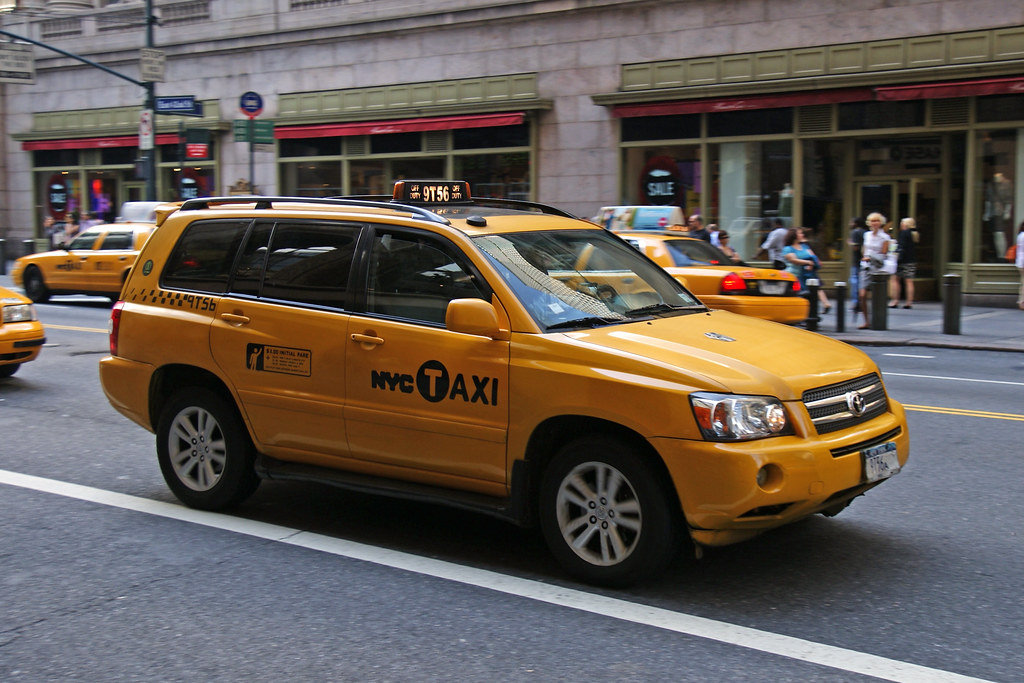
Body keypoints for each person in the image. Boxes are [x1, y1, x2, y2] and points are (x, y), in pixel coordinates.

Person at [783, 227, 830, 313]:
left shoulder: (804, 246)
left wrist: (814, 262)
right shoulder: (788, 249)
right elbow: (793, 260)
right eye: (800, 233)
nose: (802, 235)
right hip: (794, 275)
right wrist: (808, 262)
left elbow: (813, 256)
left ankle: (813, 310)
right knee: (799, 294)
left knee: (814, 289)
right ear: (794, 236)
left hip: (807, 273)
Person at [857, 212, 891, 329]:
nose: (875, 223)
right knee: (862, 295)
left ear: (881, 222)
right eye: (872, 221)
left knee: (878, 296)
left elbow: (884, 254)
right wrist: (865, 257)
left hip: (878, 268)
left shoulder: (885, 237)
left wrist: (871, 257)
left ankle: (878, 321)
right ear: (869, 223)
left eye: (877, 220)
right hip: (865, 267)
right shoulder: (866, 235)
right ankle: (866, 321)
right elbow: (864, 249)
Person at [889, 217, 919, 308]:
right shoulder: (914, 234)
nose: (901, 225)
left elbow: (901, 246)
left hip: (902, 260)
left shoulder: (904, 233)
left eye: (902, 223)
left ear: (905, 224)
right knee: (909, 281)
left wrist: (896, 256)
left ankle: (895, 300)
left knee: (895, 279)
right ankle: (909, 302)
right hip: (911, 260)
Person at [847, 216, 866, 311]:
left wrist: (849, 242)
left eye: (851, 222)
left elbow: (856, 247)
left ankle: (856, 303)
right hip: (864, 261)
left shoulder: (855, 232)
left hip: (857, 261)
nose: (849, 224)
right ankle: (860, 302)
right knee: (860, 282)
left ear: (856, 223)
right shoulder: (865, 232)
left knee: (854, 281)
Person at [1015, 220, 1024, 310]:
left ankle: (1021, 302)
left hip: (1020, 262)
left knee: (1022, 282)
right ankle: (1021, 302)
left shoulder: (1020, 235)